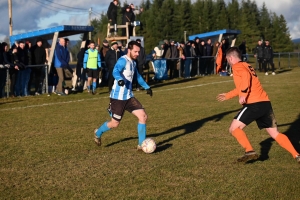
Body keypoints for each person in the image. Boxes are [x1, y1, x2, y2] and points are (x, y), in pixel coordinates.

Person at [216, 47, 300, 163]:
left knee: (234, 128)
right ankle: (296, 155)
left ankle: (249, 150)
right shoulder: (246, 65)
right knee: (275, 134)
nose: (228, 62)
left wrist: (244, 94)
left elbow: (245, 78)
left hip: (254, 104)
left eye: (227, 59)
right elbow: (243, 85)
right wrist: (228, 95)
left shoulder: (237, 67)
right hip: (265, 103)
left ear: (231, 58)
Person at [94, 41, 153, 149]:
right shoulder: (123, 60)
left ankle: (141, 145)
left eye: (138, 52)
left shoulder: (133, 63)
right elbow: (115, 71)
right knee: (115, 124)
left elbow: (138, 76)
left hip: (129, 97)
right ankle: (98, 132)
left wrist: (147, 87)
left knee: (143, 116)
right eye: (135, 52)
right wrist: (120, 79)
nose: (137, 54)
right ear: (129, 50)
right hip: (118, 98)